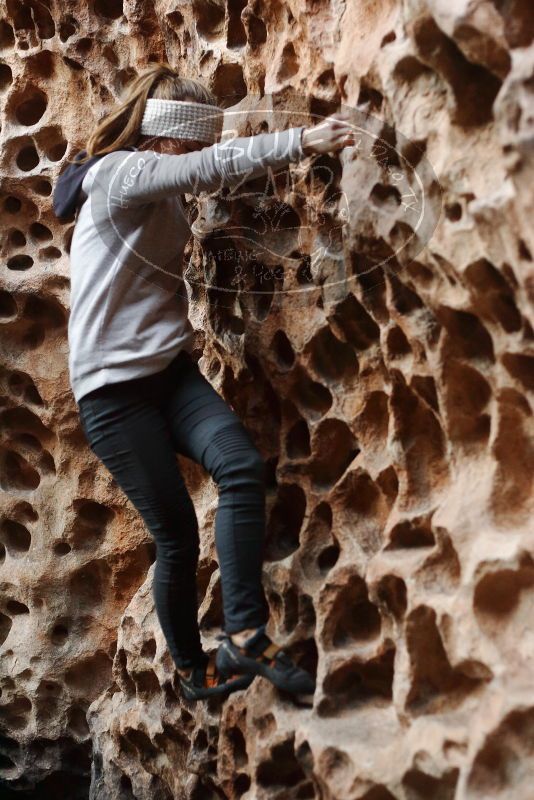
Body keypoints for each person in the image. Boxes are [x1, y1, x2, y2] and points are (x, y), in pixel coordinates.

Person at [53, 62, 356, 702]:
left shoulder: (156, 187)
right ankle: (194, 672)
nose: (203, 153)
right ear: (167, 138)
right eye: (197, 141)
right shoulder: (122, 174)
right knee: (177, 536)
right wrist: (303, 139)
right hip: (112, 394)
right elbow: (202, 170)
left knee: (241, 467)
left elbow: (197, 172)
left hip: (169, 373)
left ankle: (244, 633)